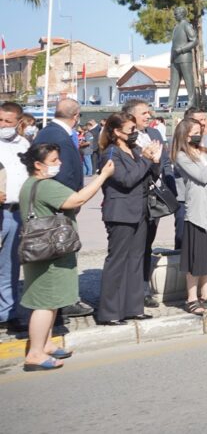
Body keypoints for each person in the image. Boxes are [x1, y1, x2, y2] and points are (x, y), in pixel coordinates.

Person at [19, 143, 115, 370]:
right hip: (50, 253)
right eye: (54, 161)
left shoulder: (31, 184)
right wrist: (102, 177)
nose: (59, 164)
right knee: (45, 303)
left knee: (50, 302)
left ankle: (46, 344)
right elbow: (77, 199)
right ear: (38, 165)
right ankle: (35, 354)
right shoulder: (45, 186)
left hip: (44, 250)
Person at [95, 112, 162, 325]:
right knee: (117, 261)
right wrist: (146, 159)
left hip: (140, 211)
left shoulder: (134, 150)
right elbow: (127, 179)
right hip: (121, 213)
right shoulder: (111, 153)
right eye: (131, 130)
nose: (135, 133)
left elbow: (148, 175)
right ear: (116, 132)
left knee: (135, 259)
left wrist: (155, 161)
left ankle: (134, 307)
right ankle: (110, 312)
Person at [31, 98, 93, 319]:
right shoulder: (57, 136)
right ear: (76, 116)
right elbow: (62, 173)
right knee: (61, 255)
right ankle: (61, 304)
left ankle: (62, 302)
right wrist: (70, 200)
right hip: (58, 207)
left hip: (59, 203)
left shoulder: (52, 131)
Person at [173, 117, 207, 316]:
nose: (199, 135)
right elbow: (203, 176)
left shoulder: (205, 151)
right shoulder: (182, 156)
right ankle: (191, 297)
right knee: (196, 256)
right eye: (194, 131)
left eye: (200, 131)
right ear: (184, 134)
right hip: (196, 211)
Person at [123, 99, 174, 308]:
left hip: (154, 198)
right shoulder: (125, 137)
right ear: (131, 115)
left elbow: (166, 162)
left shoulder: (154, 134)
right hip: (133, 198)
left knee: (146, 245)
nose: (148, 116)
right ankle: (128, 289)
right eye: (144, 113)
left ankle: (143, 287)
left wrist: (166, 181)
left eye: (149, 112)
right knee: (130, 247)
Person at [0, 101, 30, 331]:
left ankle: (7, 313)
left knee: (10, 265)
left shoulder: (24, 144)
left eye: (7, 121)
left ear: (19, 122)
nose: (2, 125)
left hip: (17, 212)